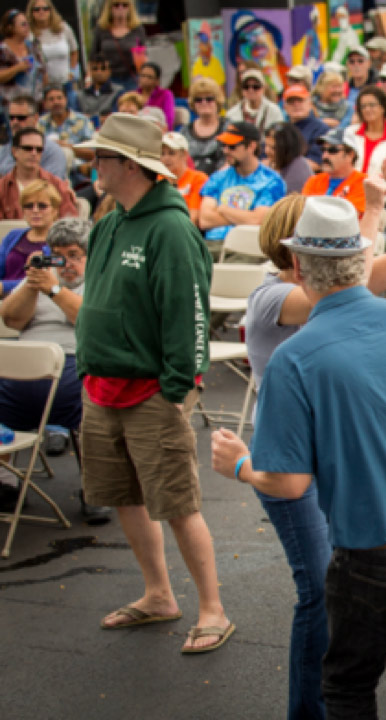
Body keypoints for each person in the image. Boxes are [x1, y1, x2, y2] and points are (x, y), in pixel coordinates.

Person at [208, 191, 386, 717]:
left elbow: (289, 483)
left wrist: (240, 466)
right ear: (361, 261)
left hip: (379, 559)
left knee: (349, 690)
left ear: (297, 266)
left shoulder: (295, 357)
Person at [73, 113, 232, 652]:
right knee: (126, 497)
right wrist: (87, 367)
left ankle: (212, 610)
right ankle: (159, 595)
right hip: (102, 388)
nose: (92, 166)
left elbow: (189, 314)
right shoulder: (109, 222)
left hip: (151, 393)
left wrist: (175, 387)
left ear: (128, 164)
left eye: (100, 157)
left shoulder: (171, 228)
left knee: (178, 504)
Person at [0, 216, 107, 518]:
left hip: (76, 366)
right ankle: (5, 482)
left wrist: (55, 291)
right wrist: (32, 286)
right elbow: (11, 319)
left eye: (74, 255)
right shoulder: (40, 279)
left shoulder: (100, 281)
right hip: (22, 370)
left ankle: (95, 487)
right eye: (58, 255)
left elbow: (90, 323)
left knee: (96, 398)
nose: (66, 264)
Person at [199, 121, 286, 243]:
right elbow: (204, 220)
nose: (226, 151)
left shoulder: (271, 181)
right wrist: (245, 216)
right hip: (212, 244)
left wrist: (223, 209)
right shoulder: (218, 177)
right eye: (224, 145)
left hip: (246, 245)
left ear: (251, 146)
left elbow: (258, 220)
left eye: (232, 146)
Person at [0, 128, 76, 221]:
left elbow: (71, 222)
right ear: (14, 151)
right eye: (28, 148)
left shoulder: (57, 185)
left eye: (39, 149)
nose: (34, 153)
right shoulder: (2, 188)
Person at [0, 180, 62, 292]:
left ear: (55, 210)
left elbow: (43, 280)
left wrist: (3, 287)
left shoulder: (62, 241)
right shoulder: (13, 235)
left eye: (42, 206)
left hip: (40, 298)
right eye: (29, 206)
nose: (35, 210)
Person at [344, 85, 386, 181]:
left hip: (381, 187)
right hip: (349, 186)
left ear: (383, 107)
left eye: (372, 105)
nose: (367, 109)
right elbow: (343, 165)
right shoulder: (350, 132)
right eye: (363, 106)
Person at [300, 126, 367, 217]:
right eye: (323, 150)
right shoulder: (314, 181)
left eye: (332, 150)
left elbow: (346, 218)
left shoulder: (364, 183)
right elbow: (303, 212)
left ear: (350, 155)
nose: (325, 156)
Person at [27, 0, 78, 108]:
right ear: (31, 12)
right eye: (37, 9)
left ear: (51, 10)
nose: (41, 12)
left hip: (65, 84)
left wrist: (72, 71)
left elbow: (74, 51)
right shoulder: (29, 34)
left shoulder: (63, 27)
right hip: (43, 87)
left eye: (45, 8)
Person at [0, 96, 66, 179]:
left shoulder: (52, 152)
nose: (15, 122)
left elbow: (51, 184)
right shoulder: (5, 150)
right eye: (11, 118)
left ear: (35, 118)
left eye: (21, 118)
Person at [38, 83, 94, 177]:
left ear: (66, 100)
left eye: (59, 98)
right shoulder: (41, 123)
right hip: (50, 173)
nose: (56, 102)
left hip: (79, 173)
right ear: (45, 104)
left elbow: (93, 154)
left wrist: (66, 147)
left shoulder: (82, 121)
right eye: (51, 99)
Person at [89, 0, 146, 92]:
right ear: (109, 8)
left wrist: (143, 78)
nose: (120, 8)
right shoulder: (102, 29)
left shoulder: (137, 29)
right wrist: (89, 77)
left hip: (131, 78)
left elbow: (142, 57)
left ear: (130, 8)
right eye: (116, 5)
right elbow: (93, 55)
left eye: (125, 5)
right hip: (108, 78)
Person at [0, 9, 44, 120]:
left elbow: (43, 71)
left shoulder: (32, 46)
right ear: (10, 27)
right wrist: (17, 68)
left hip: (35, 105)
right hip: (11, 107)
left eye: (28, 24)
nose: (27, 27)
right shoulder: (3, 50)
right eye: (23, 24)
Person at [181, 77, 228, 176]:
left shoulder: (229, 128)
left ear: (217, 101)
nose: (204, 102)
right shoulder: (184, 132)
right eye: (198, 100)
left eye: (209, 99)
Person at [161, 132, 207, 226]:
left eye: (171, 153)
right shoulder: (155, 179)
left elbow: (193, 218)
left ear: (184, 155)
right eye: (162, 153)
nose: (166, 158)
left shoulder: (198, 179)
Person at [282, 85, 329, 169]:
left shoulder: (321, 129)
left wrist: (281, 165)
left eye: (300, 100)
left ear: (310, 104)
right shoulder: (281, 130)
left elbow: (315, 163)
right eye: (291, 102)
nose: (296, 104)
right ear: (285, 107)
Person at [225, 68, 285, 133]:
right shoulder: (232, 114)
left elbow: (280, 134)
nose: (251, 90)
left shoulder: (274, 111)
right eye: (246, 86)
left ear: (263, 88)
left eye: (256, 86)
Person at [265, 122, 314, 195]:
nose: (266, 151)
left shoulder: (297, 172)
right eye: (266, 145)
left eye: (273, 148)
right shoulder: (276, 162)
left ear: (287, 149)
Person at [76, 53, 122, 126]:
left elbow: (115, 118)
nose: (99, 72)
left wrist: (89, 118)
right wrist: (101, 118)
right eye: (95, 69)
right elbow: (76, 118)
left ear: (109, 71)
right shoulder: (80, 95)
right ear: (89, 71)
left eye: (103, 68)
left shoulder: (118, 92)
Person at [136, 62, 175, 131]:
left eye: (149, 77)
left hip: (157, 131)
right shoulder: (134, 94)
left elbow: (169, 120)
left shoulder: (165, 94)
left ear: (157, 81)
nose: (145, 79)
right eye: (142, 76)